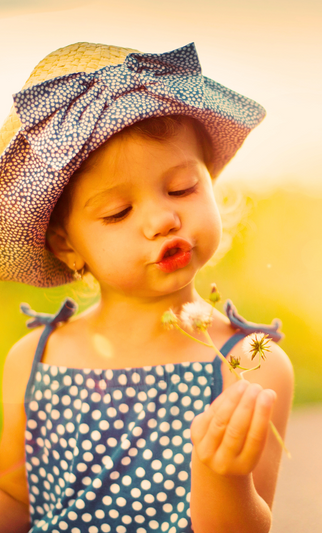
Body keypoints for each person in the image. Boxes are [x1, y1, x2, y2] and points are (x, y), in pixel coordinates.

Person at [0, 42, 294, 533]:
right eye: (118, 212)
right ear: (66, 243)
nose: (163, 218)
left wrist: (222, 478)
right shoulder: (34, 359)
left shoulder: (250, 362)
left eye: (182, 187)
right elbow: (14, 500)